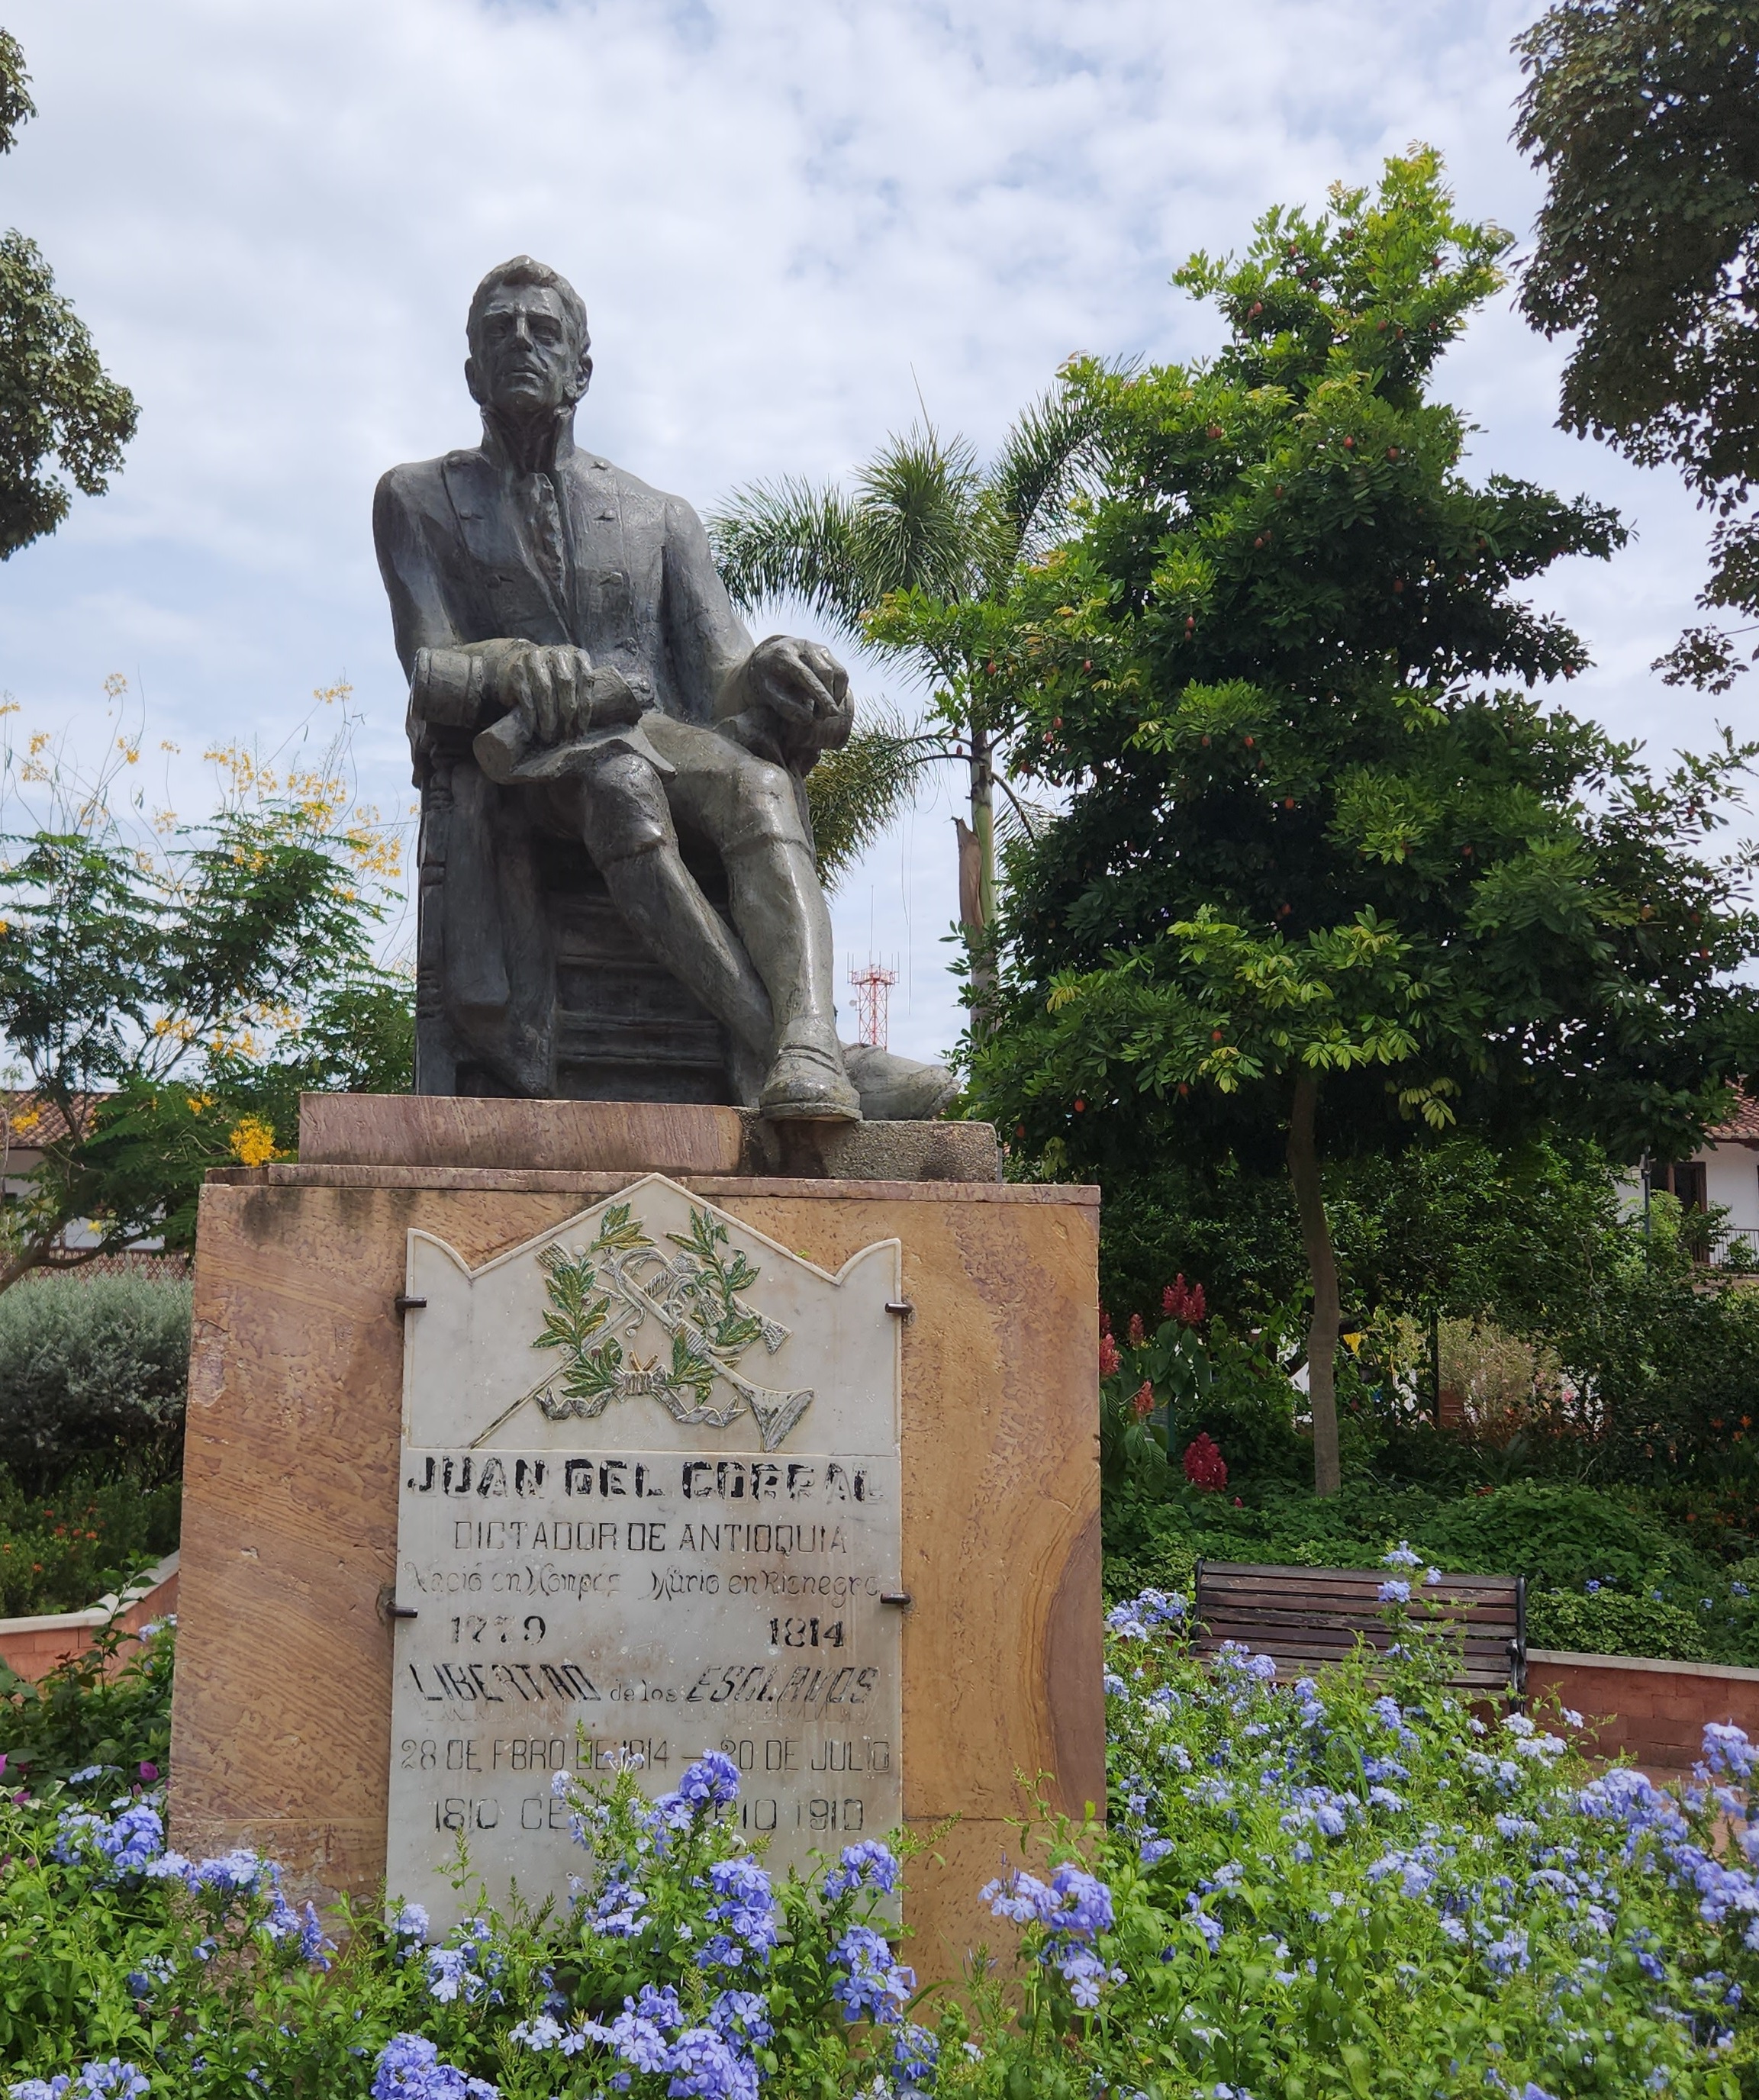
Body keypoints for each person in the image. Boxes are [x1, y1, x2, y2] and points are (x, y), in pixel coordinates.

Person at [375, 256, 947, 1119]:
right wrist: (509, 664)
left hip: (650, 730)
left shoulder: (658, 514)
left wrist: (776, 669)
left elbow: (720, 673)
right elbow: (429, 663)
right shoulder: (416, 499)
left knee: (757, 784)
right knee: (618, 782)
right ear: (471, 372)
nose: (522, 342)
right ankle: (799, 1053)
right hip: (520, 765)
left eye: (544, 330)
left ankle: (805, 1040)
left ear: (582, 369)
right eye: (500, 331)